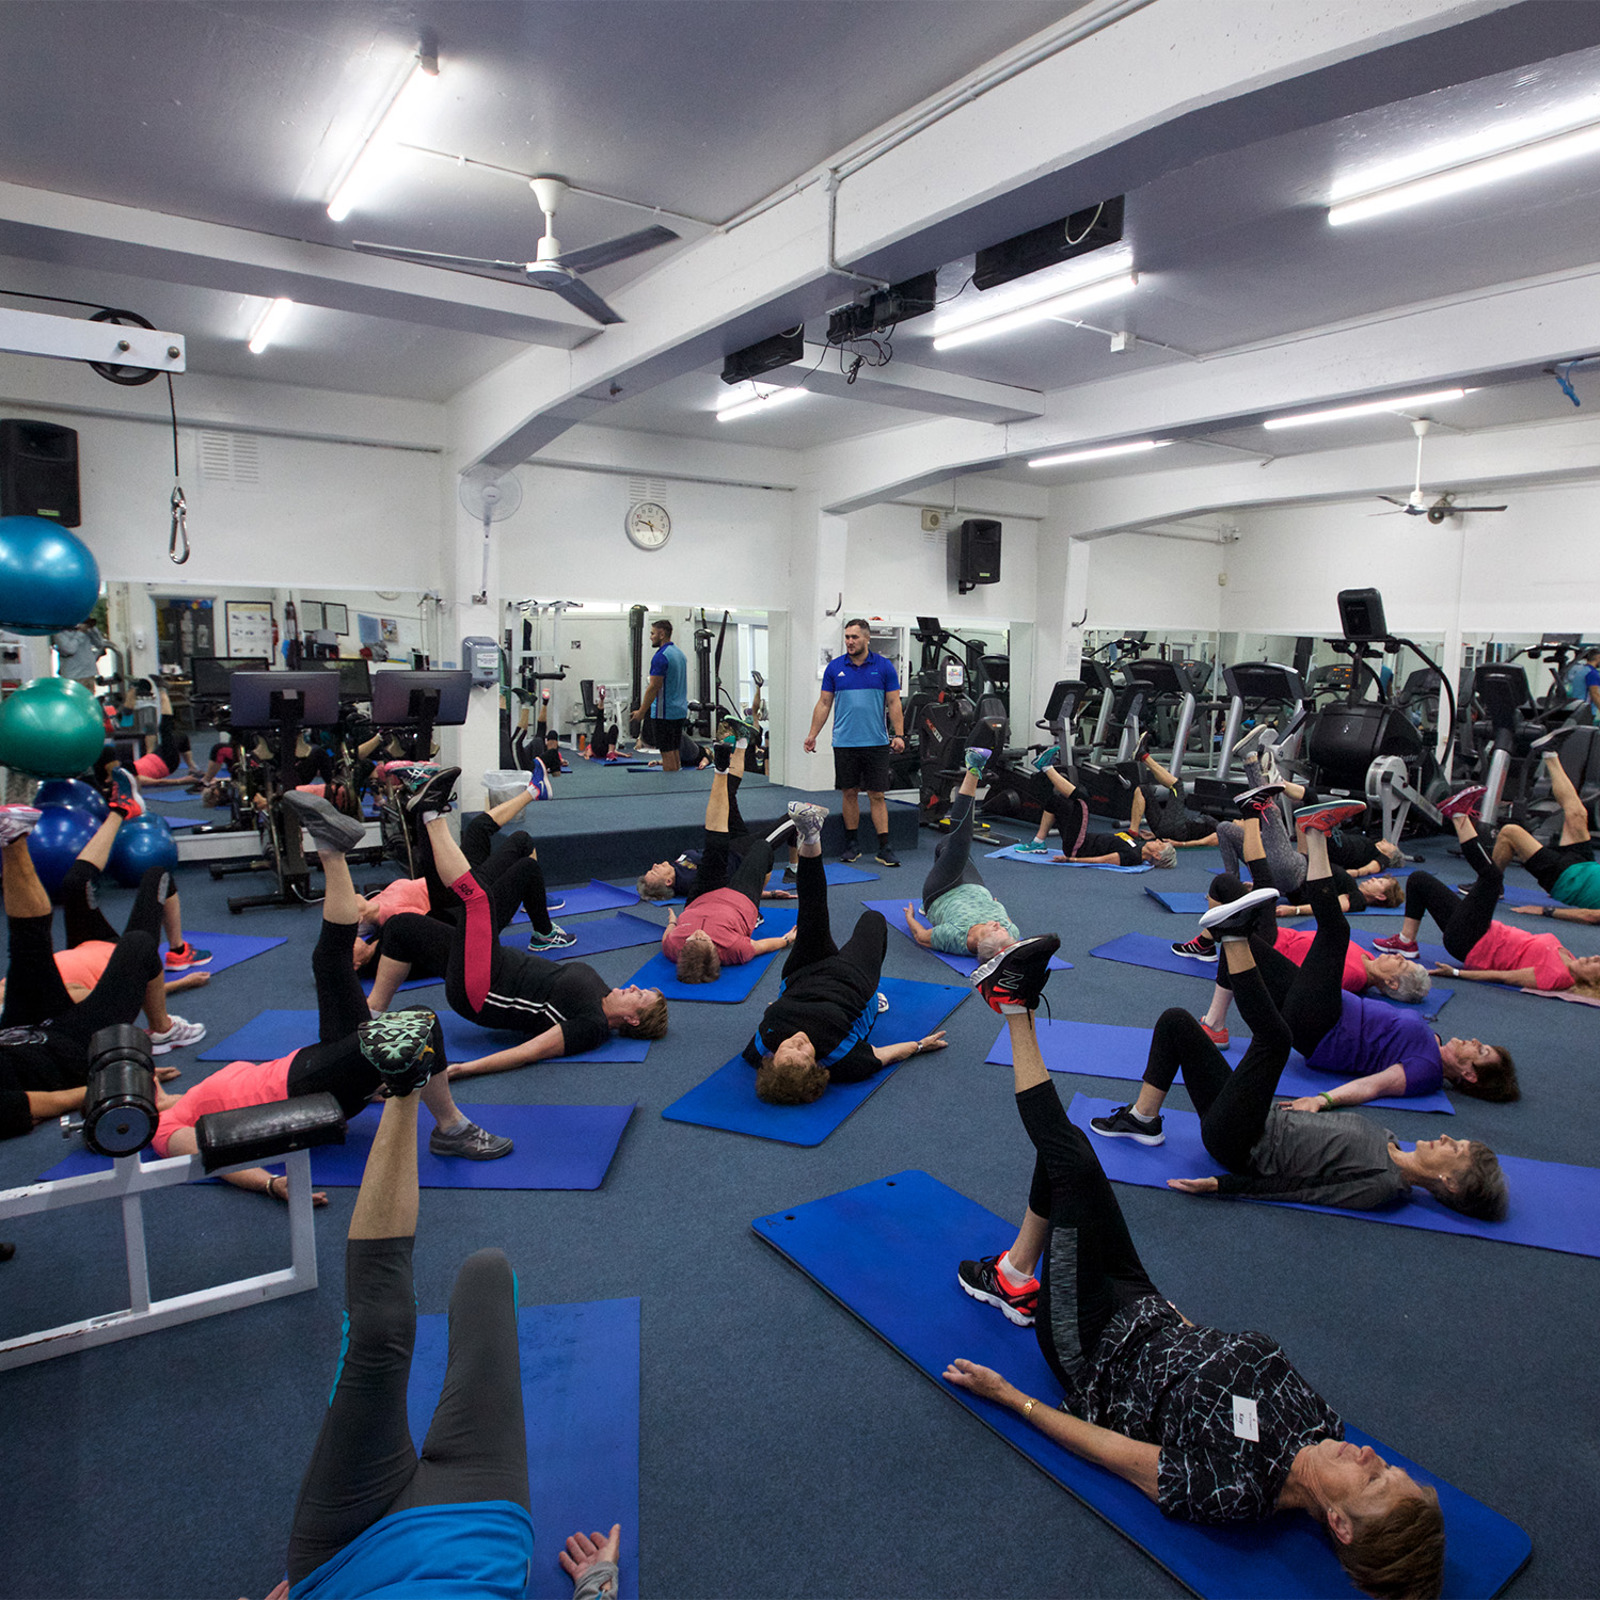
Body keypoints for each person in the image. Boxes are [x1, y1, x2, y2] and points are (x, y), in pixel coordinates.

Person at [945, 940, 1447, 1600]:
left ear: (1340, 1526)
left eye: (1376, 1481)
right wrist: (1157, 1302)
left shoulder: (1242, 1492)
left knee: (1069, 1159)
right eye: (1393, 1468)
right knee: (1075, 1168)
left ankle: (1011, 1008)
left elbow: (1118, 1456)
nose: (1372, 1458)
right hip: (1146, 1301)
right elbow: (1216, 1353)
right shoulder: (1325, 1425)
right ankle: (1013, 1275)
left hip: (1091, 1347)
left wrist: (1014, 1399)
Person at [279, 1036, 624, 1600]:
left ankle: (404, 1083)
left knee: (379, 1331)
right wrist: (597, 1584)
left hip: (345, 1554)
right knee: (488, 1272)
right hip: (484, 1532)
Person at [154, 793, 513, 1184]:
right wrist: (270, 1184)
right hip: (308, 1093)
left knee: (328, 960)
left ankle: (330, 847)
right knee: (418, 1024)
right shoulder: (161, 1130)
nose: (149, 1076)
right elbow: (210, 1154)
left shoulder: (178, 1100)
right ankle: (451, 1129)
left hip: (308, 1064)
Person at [1087, 889, 1509, 1219]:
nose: (1448, 1138)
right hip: (1252, 1118)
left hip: (1243, 1146)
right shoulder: (1390, 1141)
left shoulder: (1385, 1185)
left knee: (1275, 1040)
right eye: (1458, 1140)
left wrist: (1223, 1186)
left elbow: (1307, 1191)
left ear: (1448, 1182)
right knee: (1177, 1023)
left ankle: (1236, 936)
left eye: (1455, 1150)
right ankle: (1142, 1120)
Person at [368, 769, 667, 1076]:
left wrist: (460, 1070)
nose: (633, 987)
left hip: (483, 992)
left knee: (478, 899)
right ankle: (369, 1018)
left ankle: (430, 812)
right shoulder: (601, 991)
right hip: (490, 963)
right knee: (402, 927)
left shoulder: (592, 1026)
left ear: (633, 1020)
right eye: (641, 989)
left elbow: (531, 1051)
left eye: (640, 996)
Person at [1211, 810, 1516, 1107]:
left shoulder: (1426, 1071)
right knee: (1240, 938)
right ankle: (1214, 1022)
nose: (1475, 1041)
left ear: (1469, 1075)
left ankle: (1316, 833)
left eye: (1482, 1051)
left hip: (1323, 1027)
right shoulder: (1431, 1047)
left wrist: (1323, 1100)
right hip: (1321, 1015)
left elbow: (1375, 1086)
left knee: (1335, 930)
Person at [740, 800, 946, 1103]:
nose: (796, 1042)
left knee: (811, 912)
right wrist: (918, 1045)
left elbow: (771, 1019)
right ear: (817, 1067)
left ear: (772, 1058)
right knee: (873, 920)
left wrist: (782, 1006)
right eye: (804, 1053)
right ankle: (876, 999)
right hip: (852, 981)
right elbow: (883, 1055)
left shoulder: (762, 1045)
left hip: (802, 972)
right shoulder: (845, 1061)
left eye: (787, 1050)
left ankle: (809, 834)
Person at [0, 805, 180, 1141]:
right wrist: (123, 1078)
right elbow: (50, 1101)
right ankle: (162, 1031)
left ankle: (12, 838)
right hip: (73, 1049)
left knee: (28, 944)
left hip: (16, 1028)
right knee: (139, 944)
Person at [1373, 796, 1600, 996]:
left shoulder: (1556, 977)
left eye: (1598, 965)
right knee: (1419, 880)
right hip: (1483, 930)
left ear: (1591, 982)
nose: (1595, 958)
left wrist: (1456, 972)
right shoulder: (1568, 957)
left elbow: (1504, 977)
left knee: (1491, 877)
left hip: (1472, 943)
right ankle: (1405, 942)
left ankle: (1459, 815)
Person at [662, 734, 797, 983]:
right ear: (715, 952)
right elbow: (762, 946)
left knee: (714, 842)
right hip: (740, 900)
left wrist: (672, 921)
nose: (699, 933)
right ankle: (797, 822)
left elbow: (668, 934)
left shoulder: (674, 947)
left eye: (692, 937)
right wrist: (787, 939)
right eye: (704, 939)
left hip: (701, 897)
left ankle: (721, 769)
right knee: (760, 849)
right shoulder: (736, 951)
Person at [901, 747, 1019, 965]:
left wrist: (910, 917)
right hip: (975, 888)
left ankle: (973, 768)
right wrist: (993, 906)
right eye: (1002, 929)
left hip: (941, 892)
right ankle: (944, 850)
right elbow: (1006, 922)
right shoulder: (1010, 931)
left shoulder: (955, 937)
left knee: (960, 843)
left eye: (995, 931)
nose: (998, 925)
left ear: (979, 944)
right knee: (951, 847)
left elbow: (921, 937)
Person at [804, 618, 904, 868]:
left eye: (854, 637)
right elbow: (824, 703)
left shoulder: (884, 667)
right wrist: (813, 734)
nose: (849, 641)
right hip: (845, 742)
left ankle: (884, 847)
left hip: (876, 742)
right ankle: (852, 845)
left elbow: (894, 703)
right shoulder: (834, 668)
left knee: (877, 794)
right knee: (849, 793)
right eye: (847, 637)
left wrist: (899, 735)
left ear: (867, 638)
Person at [1493, 743, 1600, 918]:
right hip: (1586, 864)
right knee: (1577, 813)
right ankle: (1549, 752)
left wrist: (1545, 911)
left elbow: (1591, 916)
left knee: (1509, 832)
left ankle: (1489, 886)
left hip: (1565, 881)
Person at [1032, 760, 1176, 867]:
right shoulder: (1137, 845)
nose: (1158, 841)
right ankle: (1037, 843)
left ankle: (1046, 767)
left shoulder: (1132, 857)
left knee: (1082, 801)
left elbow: (1102, 860)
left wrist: (1070, 860)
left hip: (1078, 848)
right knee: (1056, 802)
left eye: (1160, 844)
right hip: (1079, 840)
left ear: (1156, 855)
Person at [1126, 749, 1220, 847]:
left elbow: (1215, 839)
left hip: (1179, 830)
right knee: (1143, 789)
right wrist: (1156, 835)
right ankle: (1133, 832)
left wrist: (1181, 844)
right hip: (1165, 830)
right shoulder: (1226, 825)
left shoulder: (1226, 829)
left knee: (1177, 786)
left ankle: (1143, 756)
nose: (1236, 821)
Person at [631, 618, 689, 771]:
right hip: (679, 711)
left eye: (652, 633)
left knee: (667, 753)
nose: (650, 637)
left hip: (665, 714)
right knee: (674, 751)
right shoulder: (679, 654)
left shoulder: (661, 657)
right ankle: (677, 785)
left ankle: (670, 789)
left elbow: (654, 687)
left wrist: (641, 712)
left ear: (662, 634)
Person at [131, 685, 199, 785]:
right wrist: (181, 781)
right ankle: (162, 690)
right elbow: (159, 782)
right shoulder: (133, 779)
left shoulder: (119, 771)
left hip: (153, 757)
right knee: (165, 728)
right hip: (166, 763)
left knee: (180, 737)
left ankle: (192, 767)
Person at [51, 617, 106, 685]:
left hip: (89, 672)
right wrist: (80, 632)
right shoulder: (59, 632)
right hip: (73, 675)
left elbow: (99, 644)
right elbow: (70, 649)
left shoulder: (84, 629)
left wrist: (92, 628)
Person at [1561, 644, 1600, 723]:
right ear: (1598, 657)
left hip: (1575, 708)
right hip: (1586, 711)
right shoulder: (1592, 673)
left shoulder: (1582, 671)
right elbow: (1594, 694)